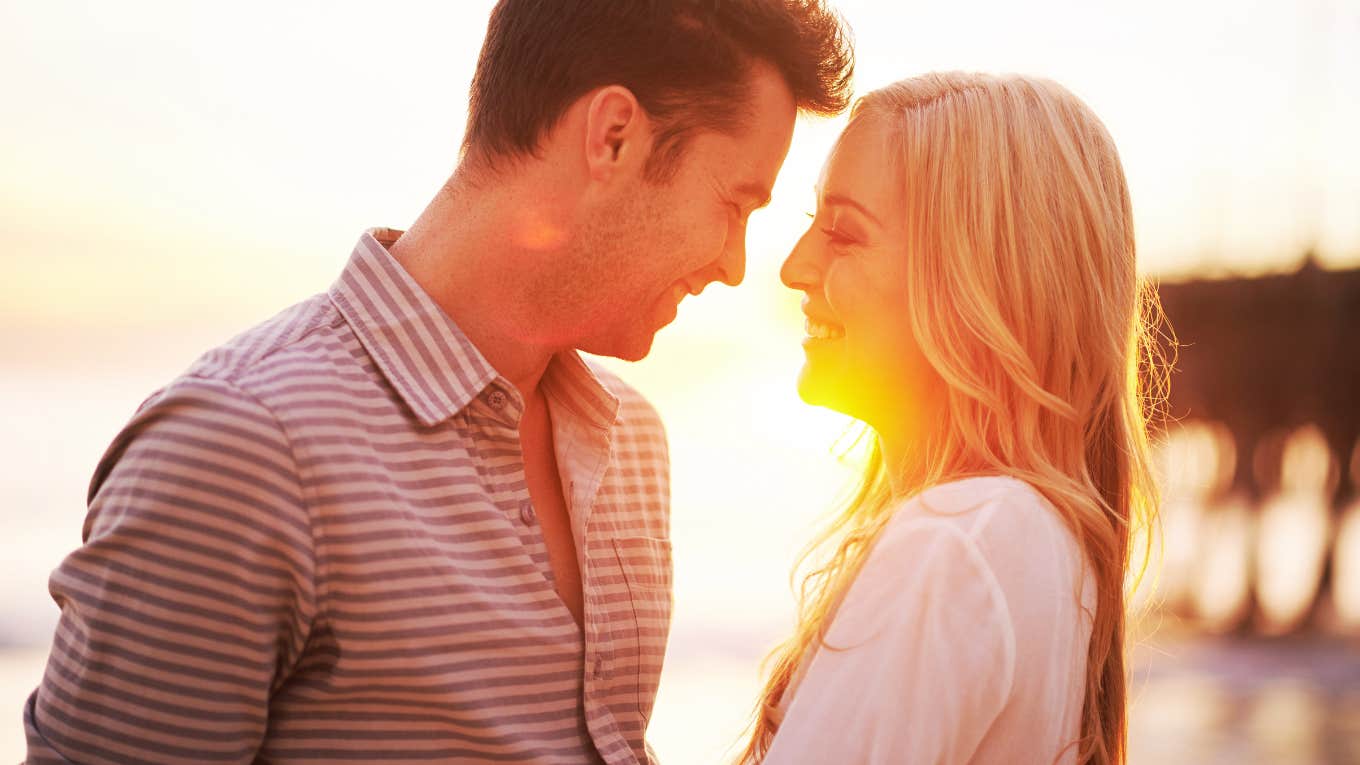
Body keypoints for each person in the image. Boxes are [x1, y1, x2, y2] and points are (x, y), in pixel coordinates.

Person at [23, 2, 852, 763]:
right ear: (613, 137)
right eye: (736, 203)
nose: (736, 265)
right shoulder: (243, 450)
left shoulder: (629, 441)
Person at [738, 72, 1166, 764]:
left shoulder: (955, 542)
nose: (793, 267)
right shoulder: (1034, 537)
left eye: (843, 234)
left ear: (974, 281)